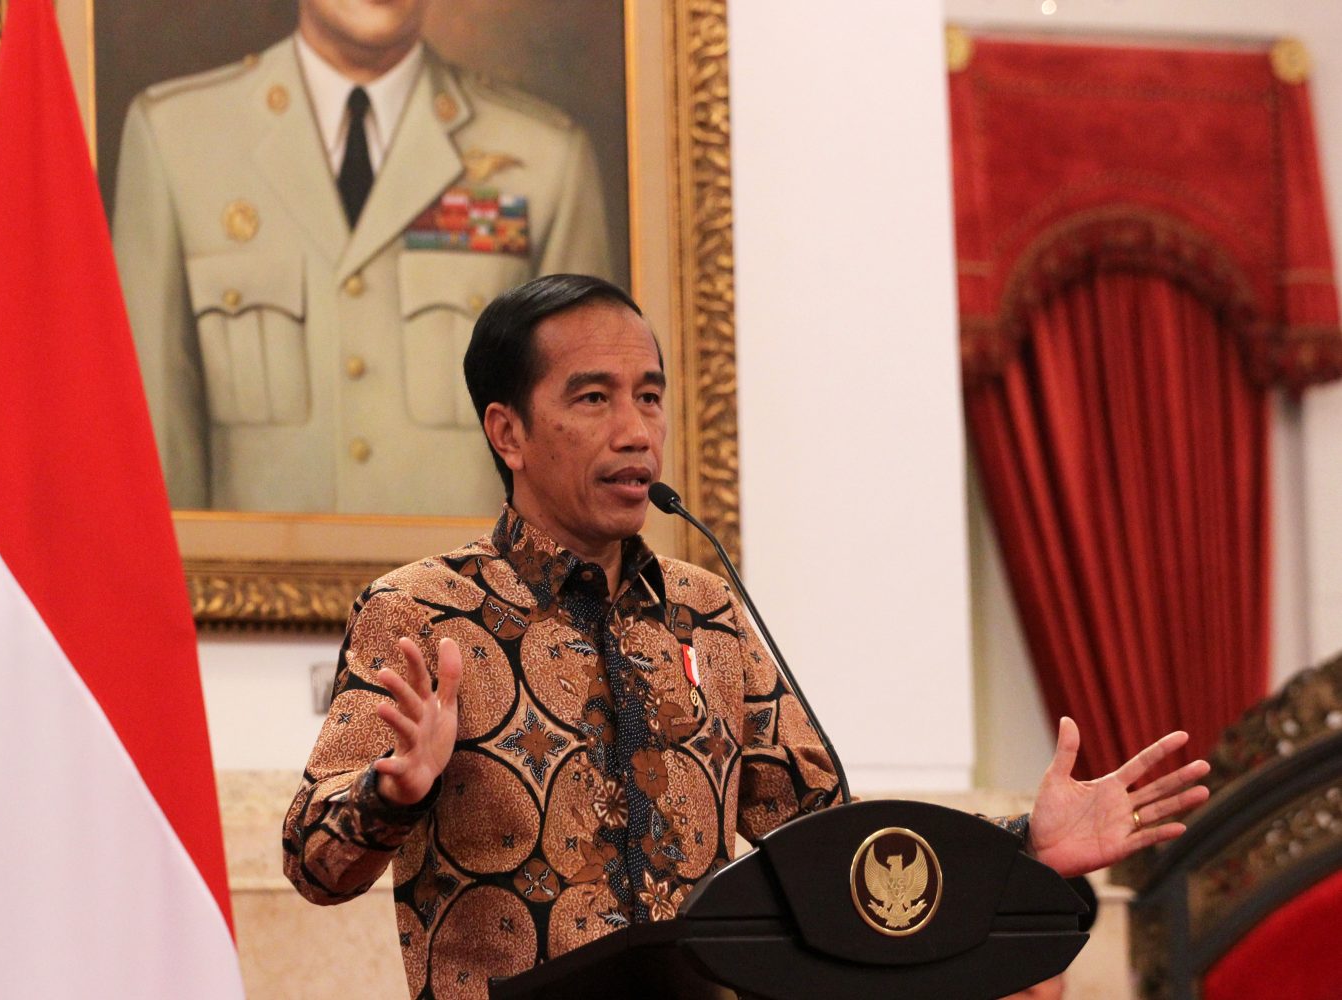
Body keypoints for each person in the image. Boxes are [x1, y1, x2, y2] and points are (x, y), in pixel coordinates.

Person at [282, 274, 1211, 999]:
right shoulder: (422, 613)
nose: (636, 431)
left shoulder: (707, 614)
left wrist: (1017, 846)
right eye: (594, 398)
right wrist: (392, 792)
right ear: (508, 431)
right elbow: (312, 867)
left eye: (650, 396)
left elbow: (827, 848)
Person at [112, 0, 611, 514]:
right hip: (248, 570)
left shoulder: (545, 159)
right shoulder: (177, 139)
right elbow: (152, 445)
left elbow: (579, 452)